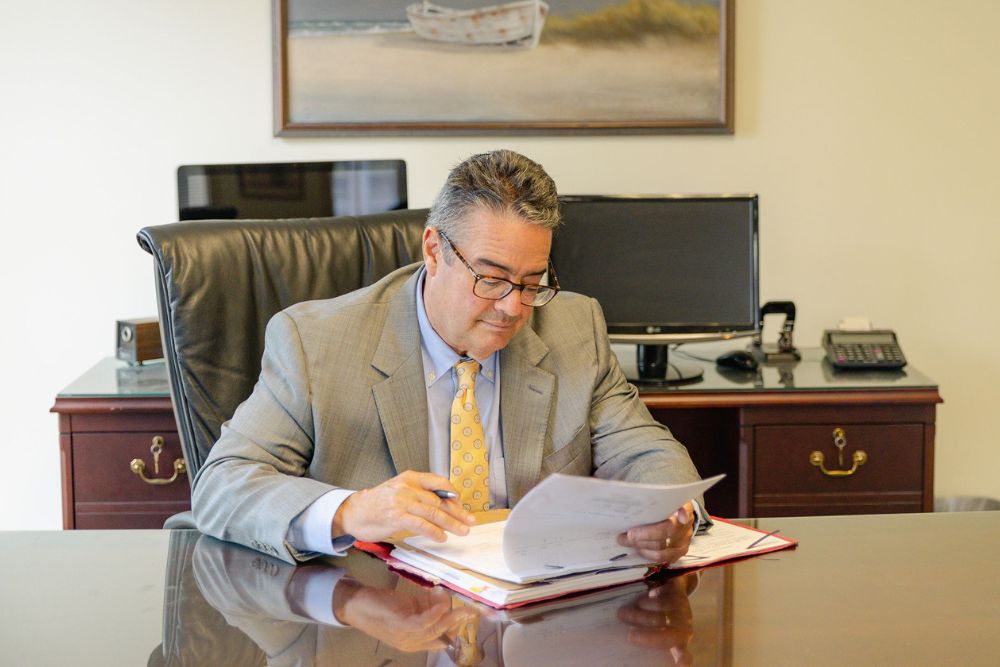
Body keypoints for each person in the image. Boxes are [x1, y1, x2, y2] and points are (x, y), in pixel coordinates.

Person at [192, 149, 703, 566]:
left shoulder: (575, 328)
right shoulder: (315, 343)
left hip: (532, 612)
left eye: (532, 282)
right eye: (492, 277)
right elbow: (223, 484)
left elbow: (646, 452)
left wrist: (669, 513)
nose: (512, 307)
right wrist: (350, 510)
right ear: (434, 251)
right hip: (375, 622)